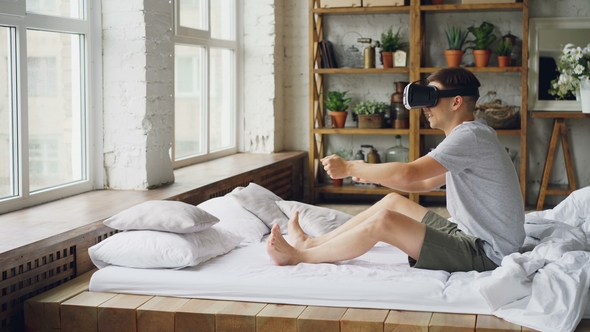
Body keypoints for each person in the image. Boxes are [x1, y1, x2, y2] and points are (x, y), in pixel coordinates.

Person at [267, 67, 525, 273]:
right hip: (469, 233)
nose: (426, 108)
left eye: (432, 99)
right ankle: (312, 242)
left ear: (456, 102)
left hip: (487, 252)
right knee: (392, 202)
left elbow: (408, 174)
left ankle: (299, 256)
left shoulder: (470, 136)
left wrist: (350, 166)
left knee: (385, 222)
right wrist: (370, 175)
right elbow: (423, 184)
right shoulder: (473, 135)